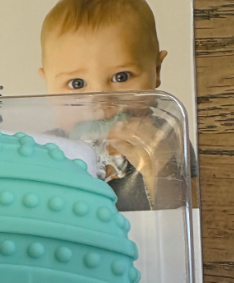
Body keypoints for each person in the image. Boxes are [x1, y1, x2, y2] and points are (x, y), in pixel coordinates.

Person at [39, 0, 197, 210]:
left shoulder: (165, 137)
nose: (102, 103)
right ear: (48, 86)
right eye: (77, 84)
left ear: (156, 71)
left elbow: (189, 218)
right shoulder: (45, 149)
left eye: (121, 77)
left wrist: (162, 168)